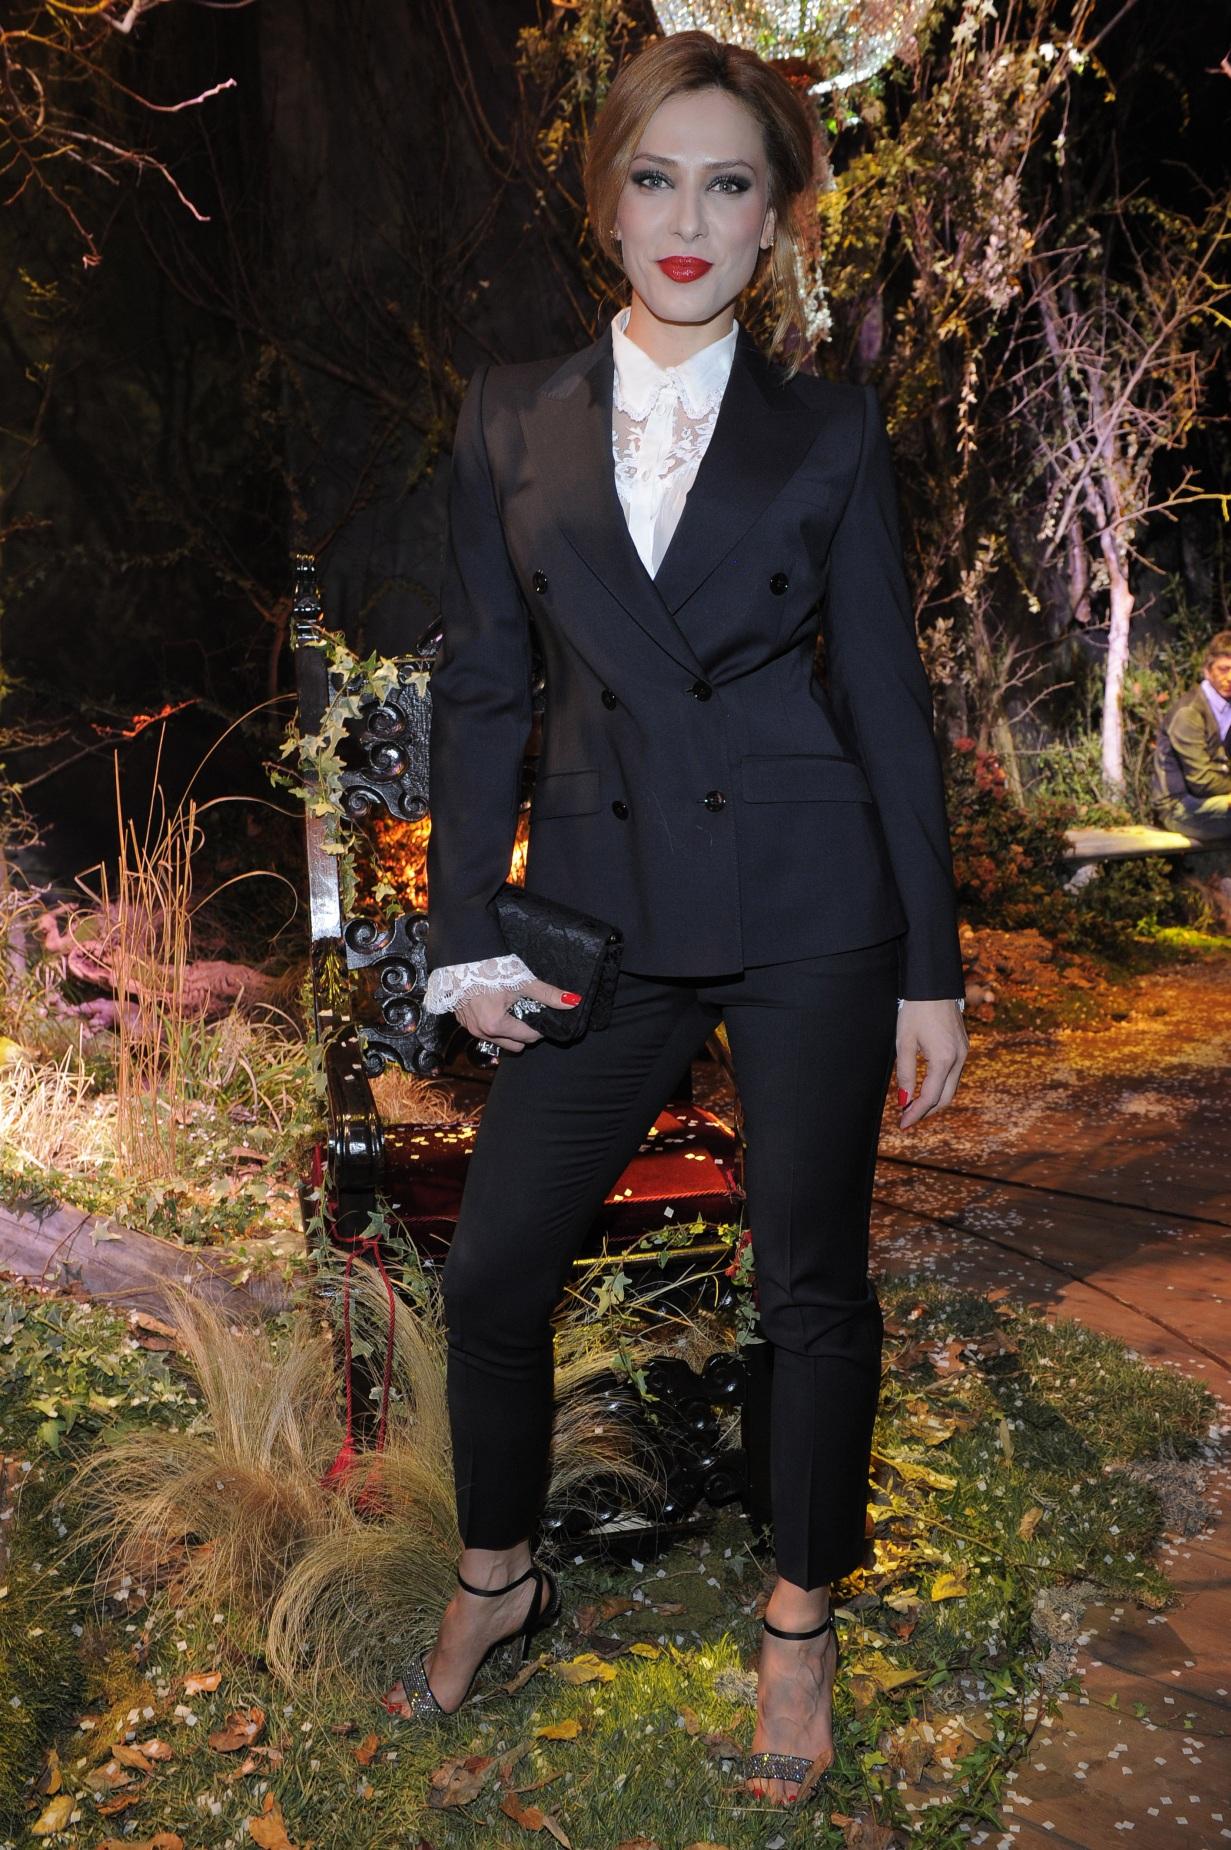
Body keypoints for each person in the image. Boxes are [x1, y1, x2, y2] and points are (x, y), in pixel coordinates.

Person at [381, 29, 969, 1809]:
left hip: (809, 902)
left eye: (728, 185)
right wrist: (464, 937)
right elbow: (485, 690)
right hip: (602, 908)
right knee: (493, 1268)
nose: (689, 220)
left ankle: (797, 1621)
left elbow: (884, 699)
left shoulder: (826, 427)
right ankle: (502, 1572)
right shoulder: (510, 413)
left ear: (776, 218)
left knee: (808, 1286)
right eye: (656, 180)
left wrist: (927, 965)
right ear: (607, 203)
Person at [1151, 629, 1231, 842]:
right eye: (1223, 669)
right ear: (1207, 671)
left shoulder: (1228, 708)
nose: (1230, 678)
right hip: (1178, 807)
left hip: (1216, 799)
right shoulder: (1189, 713)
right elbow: (1201, 782)